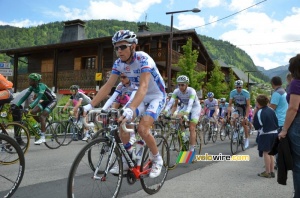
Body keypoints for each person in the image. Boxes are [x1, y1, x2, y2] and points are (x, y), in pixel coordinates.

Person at [83, 30, 166, 178]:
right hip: (139, 95)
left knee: (142, 128)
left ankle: (157, 158)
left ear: (133, 46)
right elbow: (108, 86)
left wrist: (131, 108)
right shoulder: (119, 64)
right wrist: (90, 105)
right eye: (116, 48)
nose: (119, 51)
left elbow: (144, 86)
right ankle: (128, 158)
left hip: (155, 96)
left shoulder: (144, 59)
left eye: (123, 47)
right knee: (122, 122)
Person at [278, 54, 300, 198]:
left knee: (298, 164)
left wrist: (284, 129)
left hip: (298, 124)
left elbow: (293, 108)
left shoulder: (296, 83)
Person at [16, 73, 57, 144]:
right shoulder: (32, 87)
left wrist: (29, 107)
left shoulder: (42, 86)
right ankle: (42, 124)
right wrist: (16, 105)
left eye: (30, 80)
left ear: (35, 81)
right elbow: (25, 97)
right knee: (32, 112)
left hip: (52, 101)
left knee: (42, 116)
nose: (28, 81)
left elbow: (38, 99)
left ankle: (43, 137)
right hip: (45, 101)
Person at [163, 75, 201, 152]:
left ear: (187, 84)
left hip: (195, 107)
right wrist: (165, 111)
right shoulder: (176, 91)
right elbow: (170, 102)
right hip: (185, 106)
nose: (180, 86)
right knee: (177, 118)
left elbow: (190, 103)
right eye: (179, 84)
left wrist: (186, 113)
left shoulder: (191, 91)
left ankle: (192, 149)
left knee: (192, 128)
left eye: (182, 84)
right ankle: (185, 138)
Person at [253, 94, 278, 178]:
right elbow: (276, 120)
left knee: (266, 152)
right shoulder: (271, 110)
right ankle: (271, 171)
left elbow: (258, 125)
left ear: (258, 103)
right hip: (274, 132)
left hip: (265, 134)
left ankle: (267, 172)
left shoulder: (259, 112)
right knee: (271, 153)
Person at [228, 80, 251, 148]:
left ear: (242, 87)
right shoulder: (232, 92)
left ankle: (247, 139)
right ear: (235, 87)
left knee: (244, 123)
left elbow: (248, 105)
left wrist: (246, 116)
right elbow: (230, 104)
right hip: (237, 106)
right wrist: (228, 114)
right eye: (237, 87)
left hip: (244, 107)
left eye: (240, 87)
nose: (238, 88)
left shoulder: (246, 93)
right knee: (233, 118)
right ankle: (235, 131)